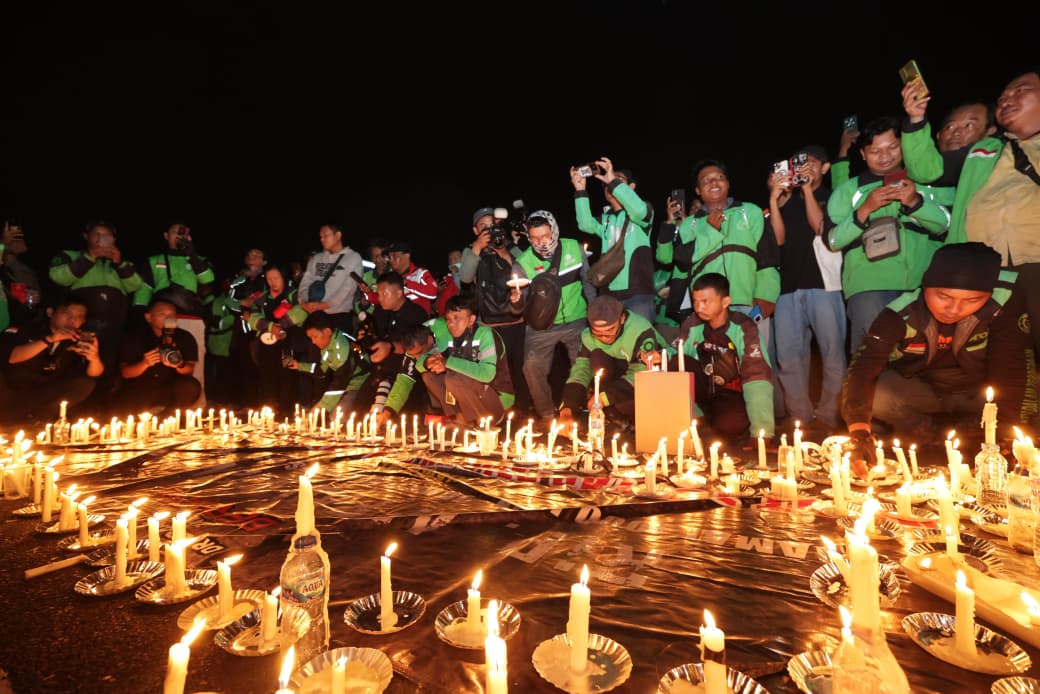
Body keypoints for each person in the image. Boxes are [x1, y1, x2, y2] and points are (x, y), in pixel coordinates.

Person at [842, 243, 1037, 475]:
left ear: (988, 294)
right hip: (927, 390)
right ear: (926, 285)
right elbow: (863, 368)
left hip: (979, 393)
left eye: (972, 300)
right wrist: (860, 433)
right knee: (879, 396)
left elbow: (1012, 368)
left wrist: (1007, 433)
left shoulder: (1002, 305)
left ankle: (976, 429)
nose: (954, 309)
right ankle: (922, 430)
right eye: (943, 296)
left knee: (1030, 393)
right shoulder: (901, 314)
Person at [902, 66, 1040, 358]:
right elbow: (926, 171)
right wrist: (916, 120)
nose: (1006, 98)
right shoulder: (984, 150)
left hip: (1037, 259)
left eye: (1020, 90)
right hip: (990, 270)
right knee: (1006, 353)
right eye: (1002, 96)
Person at [826, 115, 951, 352]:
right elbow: (832, 240)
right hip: (869, 288)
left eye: (892, 147)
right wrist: (865, 209)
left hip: (923, 286)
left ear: (903, 146)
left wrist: (915, 202)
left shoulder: (924, 182)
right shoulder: (848, 190)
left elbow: (946, 225)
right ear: (863, 154)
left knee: (922, 356)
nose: (884, 156)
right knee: (870, 358)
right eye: (875, 151)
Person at [657, 159, 780, 353]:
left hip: (748, 303)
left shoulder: (750, 212)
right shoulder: (690, 225)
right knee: (714, 368)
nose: (714, 183)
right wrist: (711, 232)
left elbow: (768, 258)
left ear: (728, 184)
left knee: (757, 366)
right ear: (698, 190)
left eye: (719, 178)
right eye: (706, 180)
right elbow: (681, 258)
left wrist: (767, 295)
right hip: (708, 309)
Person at [767, 145, 846, 435]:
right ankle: (800, 416)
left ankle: (828, 415)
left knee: (832, 351)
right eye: (798, 164)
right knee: (788, 356)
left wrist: (809, 190)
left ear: (825, 168)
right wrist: (775, 201)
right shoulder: (787, 201)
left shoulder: (833, 197)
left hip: (825, 284)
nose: (804, 169)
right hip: (787, 287)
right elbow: (778, 240)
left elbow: (820, 228)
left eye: (811, 163)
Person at [509, 210, 594, 426]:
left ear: (554, 230)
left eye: (545, 235)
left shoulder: (574, 248)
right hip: (542, 326)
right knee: (531, 366)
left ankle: (582, 409)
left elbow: (588, 282)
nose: (541, 242)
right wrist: (516, 299)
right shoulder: (523, 262)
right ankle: (547, 415)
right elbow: (518, 308)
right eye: (535, 238)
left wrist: (593, 315)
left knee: (584, 364)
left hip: (577, 319)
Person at [676, 273, 775, 442]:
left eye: (705, 302)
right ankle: (696, 419)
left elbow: (756, 376)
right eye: (696, 302)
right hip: (703, 390)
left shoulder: (743, 327)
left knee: (732, 426)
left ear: (725, 302)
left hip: (729, 394)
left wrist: (762, 432)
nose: (699, 308)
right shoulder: (692, 324)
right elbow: (677, 355)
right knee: (674, 364)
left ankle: (717, 421)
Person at [557, 295, 669, 431]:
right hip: (618, 379)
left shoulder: (640, 330)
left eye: (610, 330)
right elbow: (581, 370)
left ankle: (627, 416)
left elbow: (641, 374)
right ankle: (614, 415)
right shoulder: (587, 336)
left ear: (622, 319)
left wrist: (605, 397)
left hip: (653, 382)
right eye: (597, 333)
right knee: (597, 356)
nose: (604, 338)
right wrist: (568, 407)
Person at [48, 220, 143, 376]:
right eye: (97, 235)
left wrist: (119, 263)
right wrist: (89, 257)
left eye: (107, 235)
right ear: (86, 236)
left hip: (113, 325)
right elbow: (58, 277)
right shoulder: (70, 255)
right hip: (80, 324)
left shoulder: (121, 262)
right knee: (76, 362)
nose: (102, 239)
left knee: (109, 364)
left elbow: (136, 285)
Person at [459, 206, 529, 414]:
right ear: (475, 230)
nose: (489, 231)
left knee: (520, 370)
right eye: (484, 227)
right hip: (490, 325)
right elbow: (464, 278)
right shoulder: (470, 251)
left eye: (493, 225)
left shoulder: (510, 247)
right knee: (497, 372)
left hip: (515, 322)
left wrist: (504, 252)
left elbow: (525, 272)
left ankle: (524, 411)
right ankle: (499, 411)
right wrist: (477, 249)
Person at [571, 157, 656, 323]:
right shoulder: (606, 219)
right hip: (608, 293)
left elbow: (638, 211)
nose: (609, 185)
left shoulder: (643, 211)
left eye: (618, 180)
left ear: (631, 187)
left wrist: (612, 180)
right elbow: (585, 224)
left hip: (637, 294)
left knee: (641, 344)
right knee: (610, 345)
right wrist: (580, 190)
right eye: (606, 183)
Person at [409, 295, 514, 426]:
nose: (451, 324)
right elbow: (420, 364)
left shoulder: (485, 335)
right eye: (448, 319)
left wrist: (448, 363)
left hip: (497, 399)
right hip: (470, 398)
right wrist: (428, 361)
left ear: (471, 320)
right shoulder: (453, 336)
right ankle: (459, 418)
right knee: (430, 376)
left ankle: (481, 423)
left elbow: (487, 375)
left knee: (454, 378)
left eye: (457, 318)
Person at [0, 297, 102, 423]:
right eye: (66, 314)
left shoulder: (78, 340)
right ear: (50, 313)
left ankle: (37, 420)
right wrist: (49, 339)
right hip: (9, 392)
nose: (72, 320)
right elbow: (11, 357)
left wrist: (94, 358)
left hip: (41, 394)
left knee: (85, 384)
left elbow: (94, 374)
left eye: (79, 316)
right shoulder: (26, 328)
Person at [360, 271, 430, 416]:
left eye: (385, 294)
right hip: (379, 370)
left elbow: (417, 347)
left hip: (406, 373)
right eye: (378, 294)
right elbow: (377, 339)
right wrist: (366, 338)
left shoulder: (417, 314)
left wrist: (390, 347)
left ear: (399, 293)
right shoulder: (379, 312)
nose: (380, 298)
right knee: (359, 408)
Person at [117, 299, 201, 414]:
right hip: (140, 388)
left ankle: (170, 417)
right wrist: (145, 363)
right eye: (162, 314)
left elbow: (189, 371)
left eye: (172, 315)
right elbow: (125, 373)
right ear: (148, 317)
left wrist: (179, 364)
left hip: (168, 387)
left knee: (190, 386)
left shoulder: (184, 337)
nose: (168, 319)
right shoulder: (134, 336)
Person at [245, 263, 306, 415]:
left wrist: (282, 325)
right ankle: (269, 409)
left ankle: (287, 411)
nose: (273, 282)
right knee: (267, 377)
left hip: (288, 344)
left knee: (287, 378)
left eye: (276, 277)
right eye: (269, 278)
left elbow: (302, 311)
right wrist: (270, 326)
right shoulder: (262, 298)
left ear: (283, 277)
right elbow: (252, 317)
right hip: (266, 346)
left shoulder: (294, 294)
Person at [288, 310, 372, 415]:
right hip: (347, 383)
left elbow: (338, 384)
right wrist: (299, 365)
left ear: (327, 331)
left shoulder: (341, 349)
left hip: (362, 383)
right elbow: (322, 370)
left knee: (337, 418)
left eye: (315, 337)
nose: (313, 342)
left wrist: (320, 409)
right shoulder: (330, 341)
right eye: (311, 338)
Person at [297, 223, 364, 332]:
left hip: (337, 316)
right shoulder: (316, 258)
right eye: (320, 237)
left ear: (338, 235)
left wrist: (325, 305)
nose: (322, 239)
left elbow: (348, 289)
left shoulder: (353, 258)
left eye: (325, 235)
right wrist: (304, 302)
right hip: (314, 315)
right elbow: (305, 282)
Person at [1, 219, 44, 327]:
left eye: (20, 236)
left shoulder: (27, 267)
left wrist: (33, 303)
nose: (20, 240)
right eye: (15, 237)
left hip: (23, 326)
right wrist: (3, 244)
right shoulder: (5, 268)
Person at [386, 242, 438, 316]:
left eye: (394, 255)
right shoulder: (389, 278)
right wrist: (369, 294)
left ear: (407, 255)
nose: (391, 260)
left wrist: (406, 283)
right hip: (396, 322)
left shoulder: (421, 273)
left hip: (417, 324)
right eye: (389, 257)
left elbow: (433, 294)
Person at [433, 249, 462, 317]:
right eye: (450, 260)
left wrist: (456, 273)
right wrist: (437, 293)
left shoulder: (470, 276)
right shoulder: (446, 280)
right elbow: (435, 306)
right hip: (443, 318)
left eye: (456, 258)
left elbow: (463, 288)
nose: (452, 261)